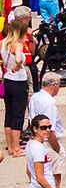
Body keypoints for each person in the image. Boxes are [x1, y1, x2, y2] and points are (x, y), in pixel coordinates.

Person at [27, 73, 66, 188]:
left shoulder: (35, 97)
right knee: (54, 179)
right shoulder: (49, 103)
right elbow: (49, 129)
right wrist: (57, 147)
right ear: (55, 86)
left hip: (36, 139)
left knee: (40, 176)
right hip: (48, 143)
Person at [1, 17, 30, 158]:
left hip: (7, 81)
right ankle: (17, 148)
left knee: (9, 114)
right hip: (18, 81)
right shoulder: (17, 45)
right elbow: (19, 59)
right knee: (18, 115)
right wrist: (18, 66)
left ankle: (10, 147)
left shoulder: (3, 43)